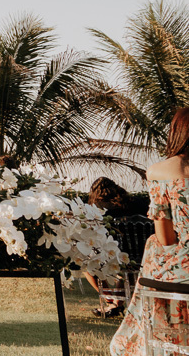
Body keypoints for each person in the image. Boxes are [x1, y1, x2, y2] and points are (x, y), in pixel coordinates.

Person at [111, 107, 189, 356]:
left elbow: (167, 238)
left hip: (180, 275)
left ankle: (144, 341)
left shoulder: (160, 171)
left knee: (154, 242)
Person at [85, 177, 131, 317]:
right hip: (134, 254)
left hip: (108, 253)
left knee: (89, 267)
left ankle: (110, 301)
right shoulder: (130, 204)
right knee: (127, 270)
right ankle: (116, 304)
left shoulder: (97, 209)